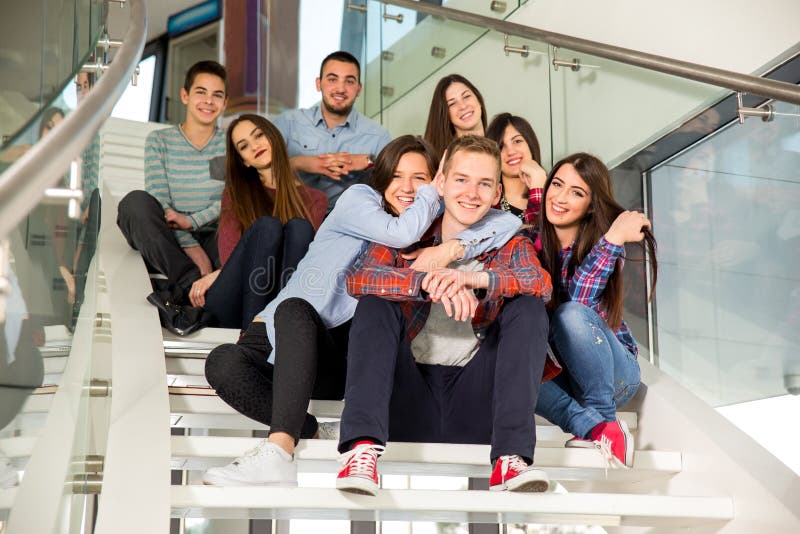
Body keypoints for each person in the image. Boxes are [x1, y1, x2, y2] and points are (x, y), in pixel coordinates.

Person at [202, 135, 522, 487]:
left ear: (436, 180)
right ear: (383, 178)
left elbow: (507, 223)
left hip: (337, 351)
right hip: (284, 330)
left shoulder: (432, 227)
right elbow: (399, 233)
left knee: (315, 313)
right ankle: (311, 430)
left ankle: (279, 451)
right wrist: (433, 199)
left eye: (420, 178)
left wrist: (452, 248)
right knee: (224, 360)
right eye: (397, 176)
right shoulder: (360, 201)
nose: (408, 187)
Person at [335, 135, 557, 495]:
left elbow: (539, 282)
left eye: (484, 183)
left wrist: (468, 277)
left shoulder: (508, 242)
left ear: (497, 193)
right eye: (461, 179)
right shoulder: (403, 233)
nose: (472, 192)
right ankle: (361, 452)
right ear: (440, 183)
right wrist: (427, 282)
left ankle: (511, 459)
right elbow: (359, 278)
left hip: (478, 403)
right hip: (405, 402)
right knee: (374, 301)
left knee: (529, 306)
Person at [529, 152, 658, 469]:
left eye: (577, 192)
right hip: (565, 378)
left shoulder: (603, 246)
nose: (560, 198)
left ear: (591, 204)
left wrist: (614, 237)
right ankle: (593, 427)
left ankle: (602, 418)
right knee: (508, 368)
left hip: (614, 376)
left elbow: (579, 303)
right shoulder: (530, 243)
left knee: (569, 314)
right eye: (557, 185)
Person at [187, 114, 327, 331]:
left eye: (259, 135)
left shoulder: (315, 199)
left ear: (273, 136)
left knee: (299, 228)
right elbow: (230, 256)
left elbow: (309, 263)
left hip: (282, 293)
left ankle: (284, 329)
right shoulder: (236, 194)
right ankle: (254, 337)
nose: (254, 147)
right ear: (244, 160)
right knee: (267, 226)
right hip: (235, 300)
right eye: (244, 146)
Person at [116, 60, 228, 302]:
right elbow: (160, 202)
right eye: (201, 92)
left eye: (217, 95)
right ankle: (190, 285)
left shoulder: (230, 145)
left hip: (214, 237)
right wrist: (188, 242)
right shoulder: (159, 141)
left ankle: (202, 292)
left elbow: (229, 201)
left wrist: (191, 222)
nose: (209, 101)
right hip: (168, 239)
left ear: (224, 103)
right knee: (135, 203)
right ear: (185, 96)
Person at [272, 51, 391, 212]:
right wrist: (298, 163)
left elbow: (395, 176)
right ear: (318, 83)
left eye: (349, 81)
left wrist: (370, 161)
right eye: (332, 79)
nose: (340, 89)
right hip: (293, 214)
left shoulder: (378, 136)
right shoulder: (287, 123)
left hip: (349, 221)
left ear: (358, 89)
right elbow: (260, 172)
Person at [485, 113, 547, 222]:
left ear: (530, 144)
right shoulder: (486, 200)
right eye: (501, 146)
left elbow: (547, 236)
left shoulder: (555, 193)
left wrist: (539, 183)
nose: (511, 151)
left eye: (517, 141)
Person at [424, 74, 487, 159]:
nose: (463, 106)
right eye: (452, 104)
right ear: (446, 115)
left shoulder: (502, 145)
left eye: (466, 96)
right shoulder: (451, 160)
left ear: (478, 99)